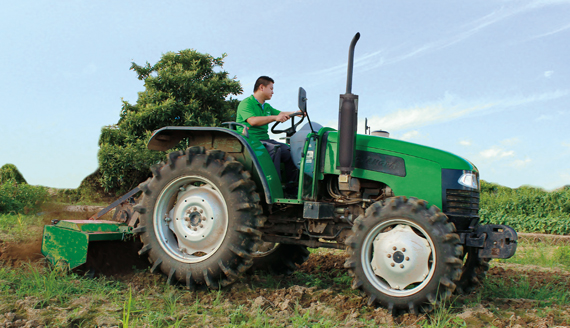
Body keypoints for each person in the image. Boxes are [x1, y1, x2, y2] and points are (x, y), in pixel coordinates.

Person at [236, 76, 299, 186]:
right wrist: (274, 118)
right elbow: (252, 121)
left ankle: (292, 186)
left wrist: (296, 113)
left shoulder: (267, 107)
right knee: (274, 149)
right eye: (271, 88)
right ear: (261, 87)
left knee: (290, 150)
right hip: (250, 140)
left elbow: (280, 114)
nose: (273, 92)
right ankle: (275, 186)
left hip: (264, 139)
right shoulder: (246, 103)